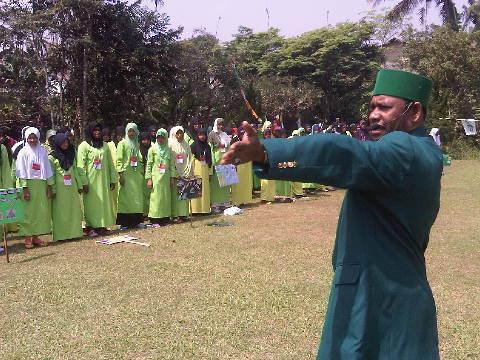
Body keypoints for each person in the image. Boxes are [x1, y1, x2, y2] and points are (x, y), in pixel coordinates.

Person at [222, 69, 442, 359]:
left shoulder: (404, 149)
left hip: (379, 296)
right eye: (372, 106)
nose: (374, 115)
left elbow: (343, 152)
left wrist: (267, 153)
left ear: (414, 112)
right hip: (387, 289)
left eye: (385, 107)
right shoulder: (424, 151)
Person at [77, 122, 118, 236]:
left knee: (103, 203)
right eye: (94, 130)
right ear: (90, 131)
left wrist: (112, 180)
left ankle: (101, 226)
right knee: (91, 205)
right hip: (90, 182)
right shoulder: (84, 146)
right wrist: (84, 182)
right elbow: (80, 166)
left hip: (103, 180)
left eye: (99, 130)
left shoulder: (105, 145)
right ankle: (90, 227)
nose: (97, 132)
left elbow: (110, 163)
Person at [16, 127, 54, 248]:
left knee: (39, 211)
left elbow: (47, 168)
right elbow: (20, 171)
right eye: (30, 138)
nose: (32, 140)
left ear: (38, 138)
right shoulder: (22, 152)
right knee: (28, 211)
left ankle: (36, 237)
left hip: (41, 184)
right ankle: (28, 237)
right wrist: (25, 188)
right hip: (28, 184)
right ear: (26, 138)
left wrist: (49, 186)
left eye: (34, 138)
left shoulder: (42, 151)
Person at [49, 133, 84, 241]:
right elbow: (51, 175)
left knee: (73, 210)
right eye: (63, 142)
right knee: (61, 212)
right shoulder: (51, 157)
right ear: (58, 143)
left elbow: (76, 170)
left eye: (67, 142)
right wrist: (53, 188)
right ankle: (62, 235)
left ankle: (74, 233)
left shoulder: (71, 154)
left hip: (71, 187)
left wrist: (80, 185)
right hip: (60, 190)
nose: (65, 144)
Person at [116, 122, 145, 228]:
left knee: (136, 198)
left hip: (136, 175)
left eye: (133, 131)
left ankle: (136, 222)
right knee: (125, 199)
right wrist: (120, 174)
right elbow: (118, 160)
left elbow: (139, 159)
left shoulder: (137, 144)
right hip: (126, 175)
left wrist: (141, 172)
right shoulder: (122, 143)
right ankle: (125, 223)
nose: (131, 133)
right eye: (129, 131)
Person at [145, 129, 172, 226]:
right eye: (158, 137)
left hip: (166, 177)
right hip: (155, 177)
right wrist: (149, 179)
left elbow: (171, 164)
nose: (160, 139)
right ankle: (154, 218)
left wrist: (172, 178)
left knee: (165, 197)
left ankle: (165, 218)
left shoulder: (168, 149)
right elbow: (149, 164)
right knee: (155, 198)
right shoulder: (152, 149)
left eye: (162, 137)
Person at [169, 126, 194, 223]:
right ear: (175, 134)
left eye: (181, 133)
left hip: (185, 172)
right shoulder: (170, 144)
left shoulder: (186, 145)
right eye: (178, 133)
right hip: (176, 173)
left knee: (184, 195)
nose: (180, 135)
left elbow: (189, 158)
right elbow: (170, 160)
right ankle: (175, 215)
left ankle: (184, 214)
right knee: (176, 196)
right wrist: (174, 173)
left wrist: (189, 172)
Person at [208, 118, 231, 212]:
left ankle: (224, 202)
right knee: (216, 183)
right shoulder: (212, 134)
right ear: (216, 124)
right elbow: (210, 148)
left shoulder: (224, 134)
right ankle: (215, 204)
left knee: (225, 182)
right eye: (219, 124)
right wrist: (212, 161)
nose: (221, 126)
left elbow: (228, 147)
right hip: (216, 160)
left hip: (225, 160)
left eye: (222, 124)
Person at [190, 128, 212, 214]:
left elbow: (210, 160)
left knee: (204, 190)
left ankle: (204, 209)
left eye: (204, 135)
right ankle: (196, 210)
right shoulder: (193, 146)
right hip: (196, 169)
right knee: (196, 189)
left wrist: (210, 173)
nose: (202, 137)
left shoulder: (207, 146)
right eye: (200, 135)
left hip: (205, 170)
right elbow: (190, 158)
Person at [231, 126, 253, 206]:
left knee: (245, 183)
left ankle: (244, 200)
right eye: (242, 133)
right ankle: (236, 201)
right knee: (237, 185)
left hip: (246, 165)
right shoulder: (234, 141)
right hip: (237, 165)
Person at [139, 132, 152, 217]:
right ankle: (143, 213)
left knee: (150, 195)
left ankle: (150, 212)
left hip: (151, 175)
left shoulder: (153, 148)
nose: (145, 142)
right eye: (143, 140)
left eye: (147, 139)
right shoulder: (138, 149)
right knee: (142, 195)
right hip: (141, 175)